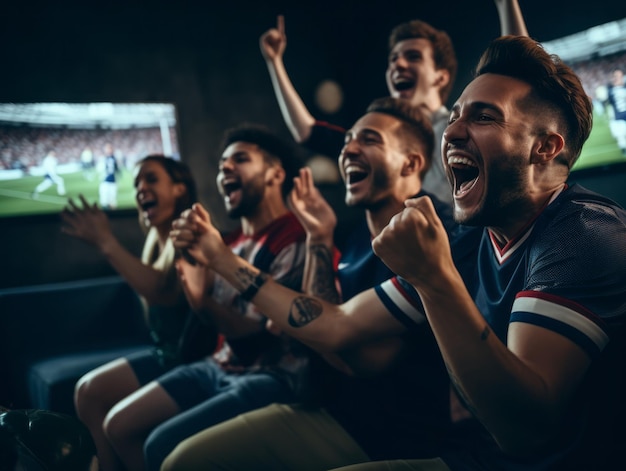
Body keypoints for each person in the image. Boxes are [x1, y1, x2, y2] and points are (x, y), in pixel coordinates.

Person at [167, 35, 626, 470]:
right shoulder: (468, 237)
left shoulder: (582, 233)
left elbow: (525, 433)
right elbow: (339, 325)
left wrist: (434, 278)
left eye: (484, 117)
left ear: (545, 148)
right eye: (457, 116)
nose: (453, 132)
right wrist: (226, 257)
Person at [165, 98, 459, 470]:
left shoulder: (434, 236)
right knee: (179, 459)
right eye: (348, 139)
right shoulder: (354, 237)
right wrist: (318, 238)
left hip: (388, 436)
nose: (348, 148)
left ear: (411, 162)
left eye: (368, 140)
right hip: (332, 410)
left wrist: (221, 260)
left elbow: (363, 361)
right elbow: (322, 323)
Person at [87, 125, 310, 471]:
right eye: (222, 164)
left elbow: (259, 340)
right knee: (118, 425)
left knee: (161, 444)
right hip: (216, 365)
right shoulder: (230, 241)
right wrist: (199, 296)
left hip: (267, 373)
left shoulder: (294, 238)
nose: (225, 169)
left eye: (240, 159)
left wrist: (202, 301)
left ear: (276, 174)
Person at [259, 0, 527, 206]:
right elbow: (307, 131)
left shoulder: (461, 128)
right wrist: (274, 63)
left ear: (440, 75)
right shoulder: (379, 143)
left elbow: (516, 76)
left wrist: (506, 4)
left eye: (413, 57)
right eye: (393, 59)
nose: (398, 64)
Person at [61, 155, 214, 471]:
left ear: (179, 189)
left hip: (192, 359)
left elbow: (164, 292)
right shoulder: (155, 241)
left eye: (151, 179)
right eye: (137, 183)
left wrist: (106, 241)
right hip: (167, 352)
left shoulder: (190, 232)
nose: (141, 187)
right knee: (88, 392)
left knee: (95, 398)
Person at [606, 67, 626, 156]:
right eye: (615, 76)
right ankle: (623, 149)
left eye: (619, 76)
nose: (617, 78)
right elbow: (608, 102)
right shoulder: (610, 90)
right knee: (621, 136)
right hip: (619, 116)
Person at [99, 143, 120, 209]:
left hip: (112, 181)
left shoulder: (113, 158)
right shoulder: (103, 158)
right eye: (107, 148)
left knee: (112, 202)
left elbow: (117, 170)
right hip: (105, 182)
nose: (108, 150)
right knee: (104, 201)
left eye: (109, 148)